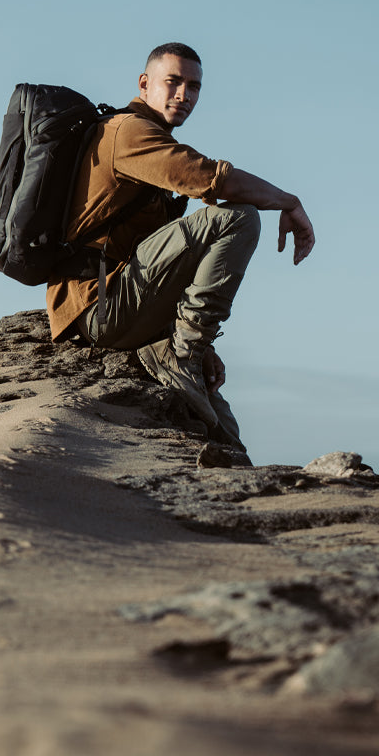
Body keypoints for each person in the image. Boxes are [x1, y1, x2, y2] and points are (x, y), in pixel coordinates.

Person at [45, 41, 315, 452]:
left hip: (128, 302)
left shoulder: (151, 136)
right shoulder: (128, 133)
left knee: (224, 434)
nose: (183, 95)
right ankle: (183, 350)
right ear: (144, 83)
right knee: (238, 217)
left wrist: (195, 339)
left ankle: (189, 349)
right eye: (172, 82)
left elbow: (170, 261)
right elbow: (213, 179)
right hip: (101, 306)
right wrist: (289, 201)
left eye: (194, 86)